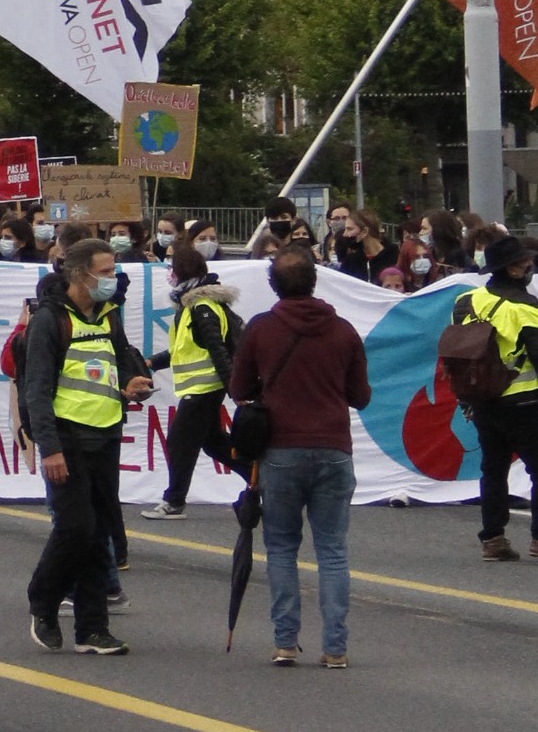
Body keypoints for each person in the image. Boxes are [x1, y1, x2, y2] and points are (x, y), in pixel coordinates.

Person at [228, 248, 371, 667]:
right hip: (333, 449)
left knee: (281, 547)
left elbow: (239, 389)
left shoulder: (261, 329)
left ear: (274, 286)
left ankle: (285, 642)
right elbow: (361, 396)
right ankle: (335, 648)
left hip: (281, 451)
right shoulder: (343, 331)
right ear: (315, 279)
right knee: (332, 551)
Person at [22, 237, 151, 655]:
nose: (114, 279)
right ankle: (43, 600)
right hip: (68, 439)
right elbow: (36, 390)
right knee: (76, 528)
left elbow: (119, 360)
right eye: (107, 271)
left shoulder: (109, 315)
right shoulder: (50, 320)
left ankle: (92, 629)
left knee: (98, 534)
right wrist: (49, 448)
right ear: (80, 274)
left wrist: (131, 383)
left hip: (107, 434)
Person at [461, 233, 538, 560]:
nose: (529, 265)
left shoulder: (467, 301)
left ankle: (492, 539)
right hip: (521, 401)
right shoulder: (525, 306)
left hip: (482, 400)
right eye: (524, 262)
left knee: (492, 470)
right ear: (510, 269)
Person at [142, 243, 241, 519]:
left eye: (172, 269)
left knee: (178, 442)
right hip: (201, 388)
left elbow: (218, 350)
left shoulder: (202, 307)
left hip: (205, 389)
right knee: (214, 443)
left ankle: (173, 501)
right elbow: (182, 351)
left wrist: (236, 391)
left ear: (182, 272)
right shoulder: (190, 307)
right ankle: (261, 478)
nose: (169, 275)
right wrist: (152, 362)